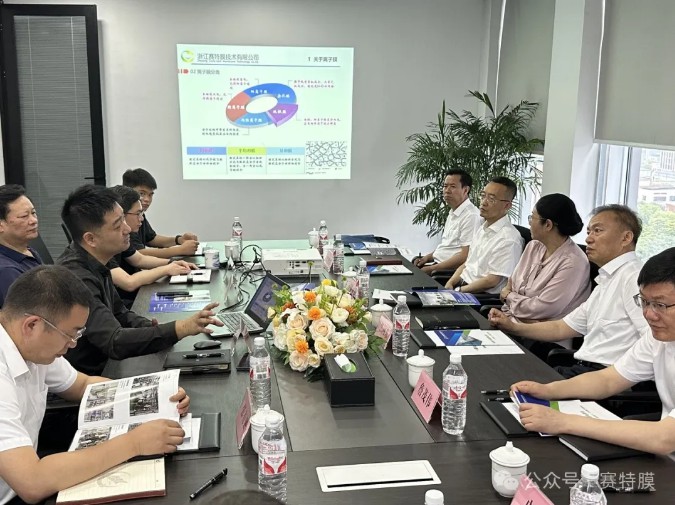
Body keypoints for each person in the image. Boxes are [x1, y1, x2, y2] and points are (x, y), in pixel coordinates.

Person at [0, 265, 189, 505]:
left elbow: (84, 385)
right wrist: (135, 443)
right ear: (32, 325)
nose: (73, 344)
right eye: (70, 334)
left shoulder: (31, 347)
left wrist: (156, 396)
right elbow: (32, 482)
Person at [511, 247, 675, 455]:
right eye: (644, 302)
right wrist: (548, 390)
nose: (649, 314)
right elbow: (608, 380)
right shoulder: (658, 338)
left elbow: (664, 438)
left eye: (660, 305)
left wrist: (562, 422)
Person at [56, 185, 222, 376]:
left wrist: (150, 327)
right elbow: (115, 341)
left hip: (109, 362)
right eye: (117, 225)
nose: (127, 229)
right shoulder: (76, 277)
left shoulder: (96, 258)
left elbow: (120, 313)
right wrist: (181, 328)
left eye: (124, 220)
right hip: (93, 374)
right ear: (91, 239)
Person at [490, 204, 649, 377]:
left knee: (505, 378)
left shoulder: (634, 278)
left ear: (626, 238)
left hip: (606, 377)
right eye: (588, 232)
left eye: (597, 231)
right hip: (583, 370)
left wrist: (611, 381)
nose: (588, 239)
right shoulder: (607, 279)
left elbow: (653, 342)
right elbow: (561, 328)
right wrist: (512, 327)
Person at [491, 193, 591, 323]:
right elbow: (512, 284)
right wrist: (513, 298)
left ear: (548, 225)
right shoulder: (533, 246)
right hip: (510, 319)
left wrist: (509, 297)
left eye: (532, 217)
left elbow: (544, 308)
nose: (530, 223)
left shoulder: (574, 262)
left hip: (541, 332)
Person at [109, 185, 197, 306]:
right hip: (122, 303)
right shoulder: (104, 245)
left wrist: (172, 263)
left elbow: (140, 259)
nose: (141, 219)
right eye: (138, 214)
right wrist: (167, 268)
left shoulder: (121, 237)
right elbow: (129, 282)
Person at [445, 176, 524, 294]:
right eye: (483, 196)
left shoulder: (509, 239)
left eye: (491, 199)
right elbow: (467, 264)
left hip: (479, 296)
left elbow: (491, 281)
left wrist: (458, 291)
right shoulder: (483, 227)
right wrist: (450, 283)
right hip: (462, 287)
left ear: (507, 206)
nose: (483, 202)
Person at [413, 169, 481, 274]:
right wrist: (427, 257)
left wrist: (431, 269)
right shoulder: (453, 211)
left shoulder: (471, 216)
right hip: (437, 266)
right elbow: (448, 247)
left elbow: (465, 256)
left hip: (447, 273)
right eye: (445, 186)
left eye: (452, 187)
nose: (447, 190)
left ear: (465, 190)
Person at [122, 168, 199, 259]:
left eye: (150, 195)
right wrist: (180, 250)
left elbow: (152, 239)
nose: (147, 199)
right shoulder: (126, 217)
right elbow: (137, 254)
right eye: (142, 193)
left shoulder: (139, 214)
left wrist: (179, 240)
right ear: (128, 191)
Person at [0, 185, 42, 307]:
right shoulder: (7, 271)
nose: (33, 220)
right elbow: (27, 314)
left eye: (33, 213)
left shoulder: (27, 250)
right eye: (24, 216)